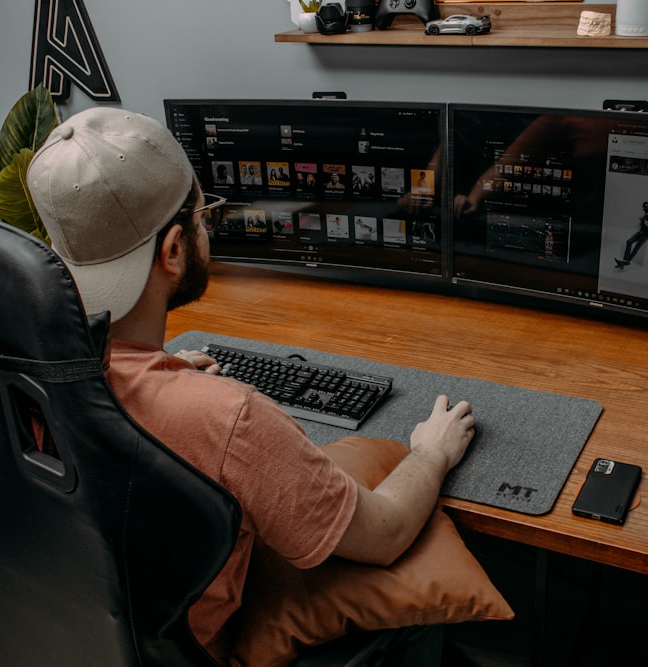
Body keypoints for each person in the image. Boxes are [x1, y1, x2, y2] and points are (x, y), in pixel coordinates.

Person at [26, 107, 476, 664]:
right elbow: (384, 536)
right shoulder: (225, 417)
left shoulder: (7, 372)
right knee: (416, 620)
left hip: (52, 637)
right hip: (192, 654)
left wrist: (158, 372)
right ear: (172, 251)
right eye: (200, 213)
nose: (206, 223)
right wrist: (429, 455)